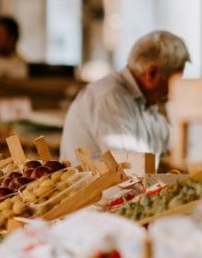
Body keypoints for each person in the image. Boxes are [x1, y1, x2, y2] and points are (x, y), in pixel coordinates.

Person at [59, 30, 190, 162]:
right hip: (100, 183)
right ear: (152, 73)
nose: (175, 90)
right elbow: (131, 167)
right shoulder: (110, 98)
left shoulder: (146, 102)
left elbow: (172, 142)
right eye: (175, 80)